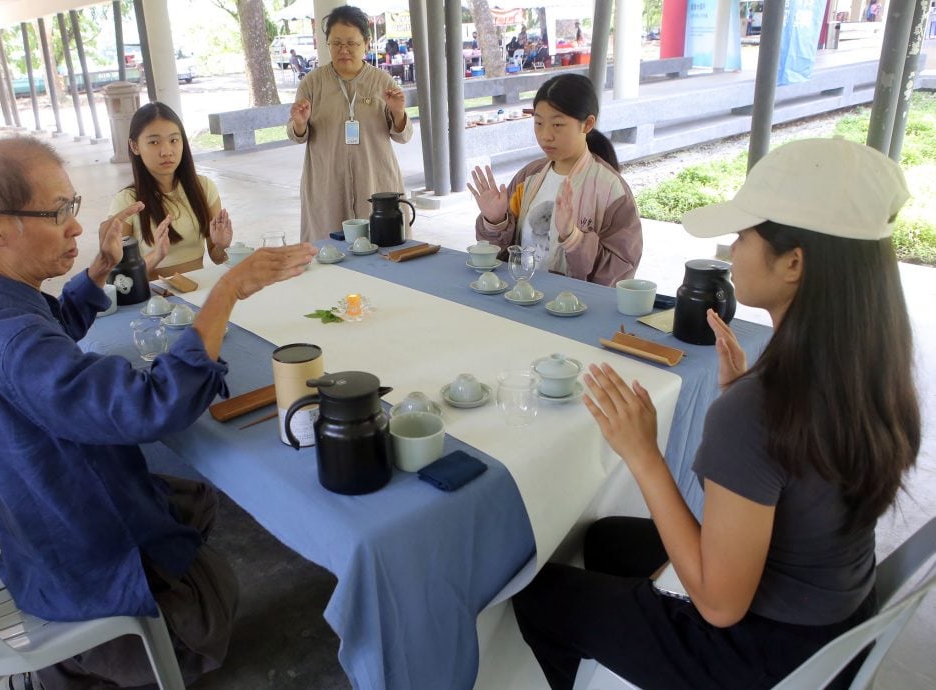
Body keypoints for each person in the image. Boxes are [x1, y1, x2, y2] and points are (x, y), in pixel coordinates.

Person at [512, 138, 920, 689]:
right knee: (607, 538)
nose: (731, 250)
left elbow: (721, 607)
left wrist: (644, 456)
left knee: (541, 597)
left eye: (744, 235)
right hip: (832, 620)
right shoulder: (866, 364)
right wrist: (738, 406)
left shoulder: (763, 406)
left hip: (760, 654)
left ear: (794, 262)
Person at [0, 136, 317, 689]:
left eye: (72, 207)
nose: (74, 226)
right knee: (216, 587)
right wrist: (228, 290)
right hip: (82, 557)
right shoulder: (12, 338)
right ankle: (106, 656)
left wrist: (97, 273)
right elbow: (152, 406)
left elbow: (45, 345)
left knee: (193, 497)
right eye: (55, 213)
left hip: (36, 524)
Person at [468, 73, 642, 287]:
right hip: (524, 298)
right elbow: (502, 258)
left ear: (587, 124)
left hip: (573, 310)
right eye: (539, 123)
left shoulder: (611, 190)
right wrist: (496, 222)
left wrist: (573, 237)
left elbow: (620, 271)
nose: (545, 135)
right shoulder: (528, 178)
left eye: (557, 125)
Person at [287, 4, 413, 242]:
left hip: (375, 181)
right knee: (329, 250)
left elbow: (403, 136)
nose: (343, 50)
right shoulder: (312, 84)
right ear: (327, 44)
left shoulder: (382, 81)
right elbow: (296, 134)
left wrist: (398, 113)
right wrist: (300, 123)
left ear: (366, 43)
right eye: (336, 43)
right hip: (327, 183)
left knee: (381, 247)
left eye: (351, 43)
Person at [109, 102, 233, 280]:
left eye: (174, 140)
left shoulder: (204, 187)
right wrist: (157, 255)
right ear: (135, 146)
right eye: (154, 142)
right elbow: (121, 279)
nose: (166, 151)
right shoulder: (127, 201)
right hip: (155, 302)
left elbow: (218, 258)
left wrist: (222, 246)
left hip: (199, 291)